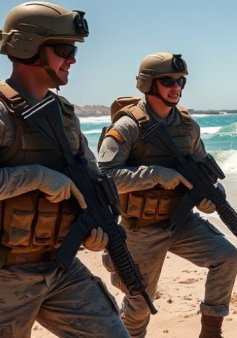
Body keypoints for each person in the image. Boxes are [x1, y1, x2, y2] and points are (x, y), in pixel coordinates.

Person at [0, 2, 129, 337]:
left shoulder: (64, 114)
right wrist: (37, 178)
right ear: (29, 47)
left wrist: (93, 229)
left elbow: (90, 178)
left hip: (60, 266)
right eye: (64, 49)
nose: (72, 59)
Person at [97, 52, 237, 338]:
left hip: (181, 221)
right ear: (148, 84)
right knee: (140, 304)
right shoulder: (128, 126)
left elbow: (203, 170)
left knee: (227, 257)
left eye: (180, 81)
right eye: (168, 81)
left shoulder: (187, 127)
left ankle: (210, 332)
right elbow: (104, 177)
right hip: (141, 227)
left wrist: (210, 197)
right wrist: (154, 175)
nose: (176, 87)